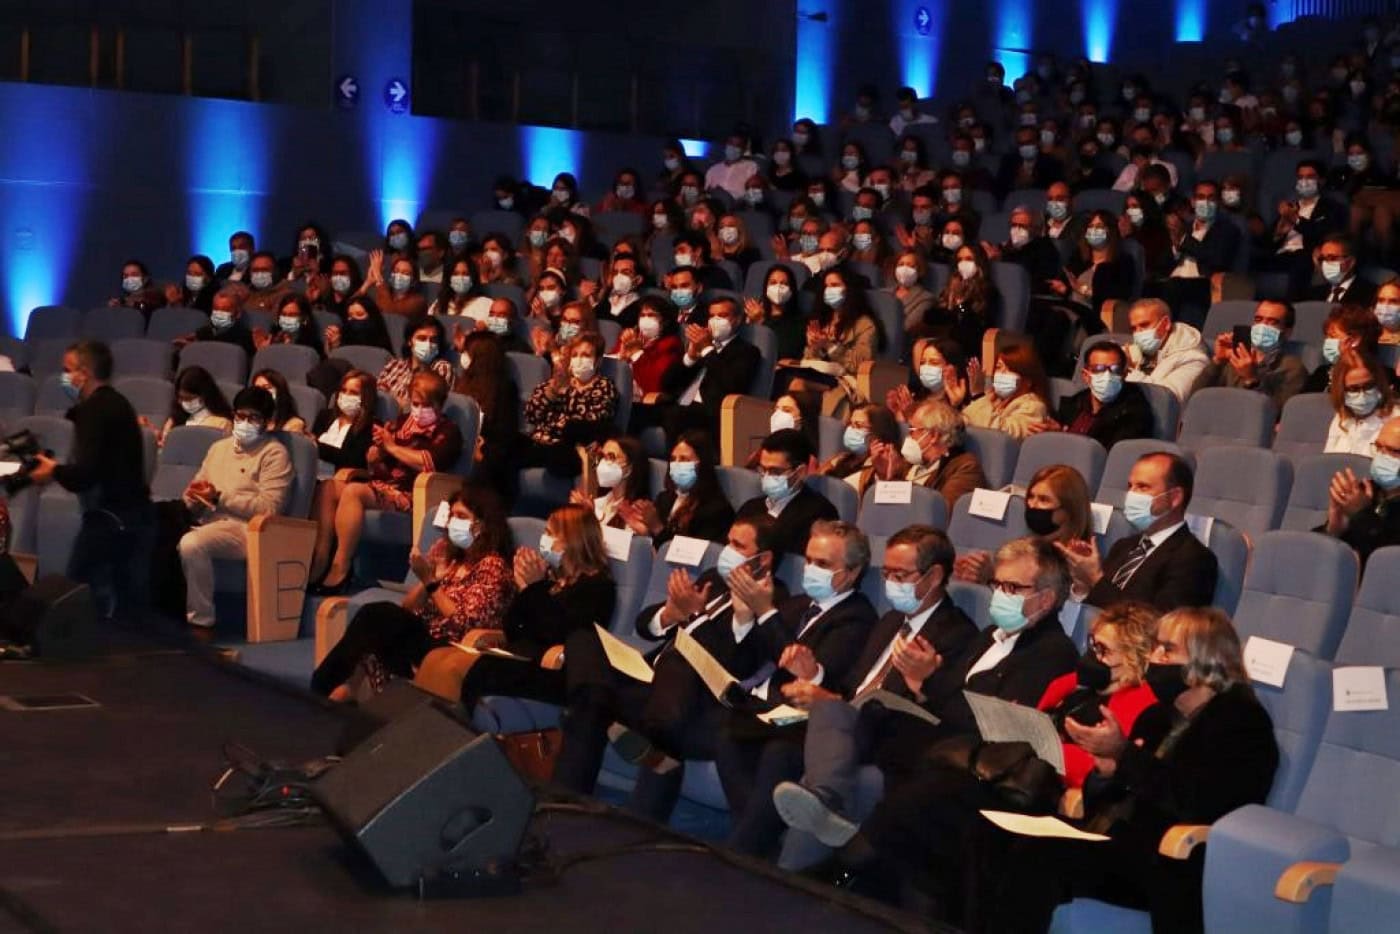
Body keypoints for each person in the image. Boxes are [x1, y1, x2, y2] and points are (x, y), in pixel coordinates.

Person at [775, 600, 1159, 895]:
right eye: (1091, 644)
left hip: (1040, 788)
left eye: (1104, 650)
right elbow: (1034, 721)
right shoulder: (1072, 683)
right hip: (1004, 763)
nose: (1092, 655)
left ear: (1135, 657)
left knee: (930, 789)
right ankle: (835, 837)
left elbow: (1105, 768)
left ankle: (839, 862)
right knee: (899, 744)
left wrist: (1048, 752)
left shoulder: (1138, 702)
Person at [767, 536, 1078, 866]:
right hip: (922, 735)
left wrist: (927, 682)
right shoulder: (989, 635)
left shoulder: (1053, 653)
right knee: (831, 716)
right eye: (997, 584)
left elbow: (993, 723)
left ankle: (804, 864)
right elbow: (950, 695)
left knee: (849, 769)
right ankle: (821, 805)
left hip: (960, 760)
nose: (1000, 595)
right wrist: (924, 683)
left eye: (1012, 588)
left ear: (1045, 599)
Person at [966, 607, 1277, 932]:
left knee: (1041, 853)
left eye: (1168, 650)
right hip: (1120, 839)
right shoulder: (1157, 716)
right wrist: (1105, 773)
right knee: (990, 830)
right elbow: (1107, 799)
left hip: (1171, 860)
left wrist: (1125, 756)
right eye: (1155, 645)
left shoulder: (1241, 723)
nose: (1154, 657)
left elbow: (1201, 803)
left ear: (1208, 660)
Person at [555, 513, 780, 820]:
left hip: (693, 694)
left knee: (678, 661)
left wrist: (696, 618)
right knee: (584, 640)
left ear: (763, 559)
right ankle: (566, 798)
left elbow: (734, 664)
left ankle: (637, 743)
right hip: (651, 677)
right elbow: (644, 626)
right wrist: (669, 614)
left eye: (737, 546)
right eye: (727, 541)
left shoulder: (772, 603)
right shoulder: (714, 578)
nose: (726, 550)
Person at [715, 519, 880, 856]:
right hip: (764, 705)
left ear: (850, 572)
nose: (810, 569)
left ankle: (744, 847)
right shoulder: (797, 605)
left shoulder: (857, 617)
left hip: (807, 715)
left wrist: (765, 612)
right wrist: (745, 618)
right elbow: (752, 659)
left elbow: (812, 671)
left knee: (777, 751)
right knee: (726, 734)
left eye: (822, 564)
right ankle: (755, 840)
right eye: (808, 560)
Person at [311, 486, 514, 700]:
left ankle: (322, 689)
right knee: (374, 625)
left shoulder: (492, 566)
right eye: (452, 516)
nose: (453, 522)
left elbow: (465, 622)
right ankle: (337, 692)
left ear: (481, 526)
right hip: (425, 639)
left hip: (454, 649)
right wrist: (432, 575)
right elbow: (408, 607)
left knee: (377, 616)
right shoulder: (455, 562)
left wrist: (430, 581)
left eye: (461, 516)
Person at [27, 341, 153, 620]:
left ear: (83, 373)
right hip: (130, 517)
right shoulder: (116, 403)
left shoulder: (95, 410)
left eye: (67, 370)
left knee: (73, 594)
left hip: (112, 519)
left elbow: (84, 475)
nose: (64, 377)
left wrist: (53, 471)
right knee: (114, 604)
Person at [310, 370, 462, 594]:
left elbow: (428, 462)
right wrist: (376, 457)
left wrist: (391, 447)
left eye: (425, 405)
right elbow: (381, 468)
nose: (418, 410)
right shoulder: (401, 423)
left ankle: (341, 566)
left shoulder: (448, 432)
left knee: (353, 492)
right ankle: (320, 559)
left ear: (439, 405)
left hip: (415, 494)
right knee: (328, 487)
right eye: (415, 403)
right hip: (383, 487)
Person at [458, 504, 617, 710]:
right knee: (448, 659)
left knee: (477, 670)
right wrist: (524, 588)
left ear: (573, 541)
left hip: (555, 670)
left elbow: (557, 633)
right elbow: (512, 630)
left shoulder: (597, 586)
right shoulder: (554, 581)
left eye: (551, 534)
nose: (544, 539)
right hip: (522, 659)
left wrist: (534, 587)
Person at [175, 387, 293, 629]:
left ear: (266, 422)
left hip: (248, 530)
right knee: (159, 532)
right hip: (208, 522)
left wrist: (219, 497)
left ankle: (201, 623)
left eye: (253, 418)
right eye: (240, 416)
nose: (245, 423)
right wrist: (194, 497)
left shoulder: (274, 454)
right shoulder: (219, 449)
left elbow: (270, 508)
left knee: (191, 544)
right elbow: (196, 492)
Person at [1061, 450, 1218, 611]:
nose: (1131, 495)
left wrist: (1095, 578)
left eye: (1143, 487)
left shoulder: (1194, 559)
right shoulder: (1123, 546)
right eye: (1130, 486)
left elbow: (1157, 626)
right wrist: (1083, 586)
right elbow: (1098, 603)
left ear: (1175, 497)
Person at [954, 464, 1092, 585]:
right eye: (1031, 497)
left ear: (1069, 509)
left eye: (1044, 500)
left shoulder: (1080, 560)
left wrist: (992, 577)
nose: (1032, 505)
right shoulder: (1026, 547)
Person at [659, 298, 760, 444]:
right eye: (712, 316)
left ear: (737, 320)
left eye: (722, 315)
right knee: (637, 410)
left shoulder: (747, 351)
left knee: (675, 415)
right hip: (680, 404)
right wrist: (690, 357)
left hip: (712, 413)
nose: (715, 320)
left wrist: (707, 349)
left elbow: (731, 384)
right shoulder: (700, 344)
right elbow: (666, 384)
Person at [522, 331, 618, 478]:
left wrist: (569, 392)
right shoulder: (556, 381)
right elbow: (531, 415)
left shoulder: (604, 386)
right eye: (575, 355)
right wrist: (553, 390)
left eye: (586, 355)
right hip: (538, 442)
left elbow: (588, 423)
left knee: (556, 454)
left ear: (598, 361)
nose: (579, 360)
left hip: (571, 449)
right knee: (508, 446)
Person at [735, 429, 839, 556]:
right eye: (763, 469)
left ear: (800, 472)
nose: (766, 476)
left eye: (775, 471)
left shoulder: (820, 515)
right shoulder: (750, 508)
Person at [1192, 299, 1308, 413]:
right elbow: (1195, 397)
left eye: (1272, 322)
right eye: (1258, 320)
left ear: (1287, 332)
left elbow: (1276, 413)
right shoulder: (1235, 357)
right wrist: (1218, 360)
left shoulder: (1293, 368)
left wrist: (1251, 379)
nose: (1262, 326)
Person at [870, 398, 986, 512]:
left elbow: (941, 512)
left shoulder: (965, 467)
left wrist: (895, 482)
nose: (908, 437)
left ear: (934, 435)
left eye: (912, 431)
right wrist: (883, 473)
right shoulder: (909, 463)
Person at [1040, 339, 1154, 447]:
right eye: (1099, 369)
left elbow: (1107, 456)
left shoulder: (1134, 412)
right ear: (1085, 375)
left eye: (1115, 369)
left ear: (1124, 374)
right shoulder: (1075, 403)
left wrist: (1064, 438)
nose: (1107, 375)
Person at [627, 431, 734, 546]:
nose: (676, 464)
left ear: (702, 465)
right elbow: (656, 545)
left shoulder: (716, 510)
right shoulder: (664, 499)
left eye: (684, 459)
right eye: (673, 459)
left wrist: (657, 527)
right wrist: (644, 531)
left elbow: (689, 555)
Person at [1323, 416, 1400, 566]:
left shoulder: (1360, 503)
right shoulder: (1365, 491)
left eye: (1394, 451)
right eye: (1378, 447)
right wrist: (1334, 529)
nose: (1382, 456)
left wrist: (1361, 514)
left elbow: (1389, 562)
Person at [454, 331, 520, 497]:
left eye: (466, 352)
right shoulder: (462, 383)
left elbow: (504, 436)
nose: (463, 357)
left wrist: (480, 446)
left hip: (490, 456)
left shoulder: (505, 389)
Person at [1123, 298, 1210, 403]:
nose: (1138, 333)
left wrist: (1131, 372)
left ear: (1166, 324)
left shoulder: (1193, 359)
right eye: (1134, 329)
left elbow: (1168, 402)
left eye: (1144, 325)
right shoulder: (1137, 352)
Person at [963, 340, 1051, 439]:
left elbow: (1002, 437)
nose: (1001, 373)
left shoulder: (1034, 406)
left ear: (1028, 381)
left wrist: (978, 395)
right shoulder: (996, 401)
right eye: (998, 367)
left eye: (1011, 369)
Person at [817, 404, 901, 500]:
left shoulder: (881, 466)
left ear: (877, 432)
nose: (850, 430)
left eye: (858, 425)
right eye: (850, 424)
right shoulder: (842, 457)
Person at [1325, 349, 1396, 455]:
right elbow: (1327, 460)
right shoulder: (1341, 419)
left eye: (1369, 386)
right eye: (1353, 389)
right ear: (1341, 391)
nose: (1362, 395)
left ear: (1379, 383)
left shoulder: (1396, 420)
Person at [1303, 303, 1385, 394]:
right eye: (1327, 337)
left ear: (1354, 340)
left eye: (1333, 337)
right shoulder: (1321, 373)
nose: (1327, 342)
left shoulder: (1382, 377)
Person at [614, 296, 683, 404]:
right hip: (619, 389)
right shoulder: (630, 337)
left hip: (642, 400)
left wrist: (637, 354)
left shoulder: (670, 345)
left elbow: (654, 385)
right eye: (642, 315)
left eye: (651, 315)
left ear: (665, 321)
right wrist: (621, 358)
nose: (645, 319)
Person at [572, 436, 650, 530]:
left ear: (629, 468)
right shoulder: (601, 503)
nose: (603, 463)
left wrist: (591, 518)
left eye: (611, 457)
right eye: (603, 457)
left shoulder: (636, 513)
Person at [376, 315, 454, 408]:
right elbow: (378, 397)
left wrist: (393, 400)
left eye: (433, 340)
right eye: (422, 338)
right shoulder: (394, 365)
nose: (428, 344)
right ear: (410, 341)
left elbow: (427, 405)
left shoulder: (442, 368)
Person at [887, 340, 973, 422]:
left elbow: (941, 433)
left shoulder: (966, 406)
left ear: (952, 368)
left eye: (934, 363)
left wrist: (955, 405)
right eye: (923, 362)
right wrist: (897, 413)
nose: (926, 367)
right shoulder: (918, 401)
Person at [311, 369, 377, 471]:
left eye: (353, 393)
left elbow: (351, 460)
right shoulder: (324, 416)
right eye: (343, 390)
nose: (346, 395)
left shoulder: (370, 426)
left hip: (342, 480)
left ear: (366, 397)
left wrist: (317, 446)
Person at [743, 264, 806, 361]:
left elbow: (782, 352)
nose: (778, 287)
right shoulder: (752, 313)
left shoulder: (799, 321)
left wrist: (761, 322)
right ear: (766, 288)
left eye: (784, 283)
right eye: (773, 283)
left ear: (791, 289)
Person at [157, 366, 233, 444]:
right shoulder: (174, 420)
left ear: (204, 396)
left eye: (188, 398)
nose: (182, 402)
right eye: (180, 397)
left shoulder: (222, 424)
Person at [1302, 233, 1378, 305]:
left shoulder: (1371, 293)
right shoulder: (1313, 294)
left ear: (1351, 262)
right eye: (1322, 259)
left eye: (1331, 258)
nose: (1325, 263)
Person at [180, 287, 256, 358]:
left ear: (238, 313)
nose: (219, 314)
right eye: (216, 309)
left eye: (225, 310)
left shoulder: (246, 338)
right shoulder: (203, 333)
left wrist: (198, 349)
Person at [249, 368, 307, 434]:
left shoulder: (294, 423)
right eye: (256, 389)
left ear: (280, 391)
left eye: (267, 388)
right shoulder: (249, 420)